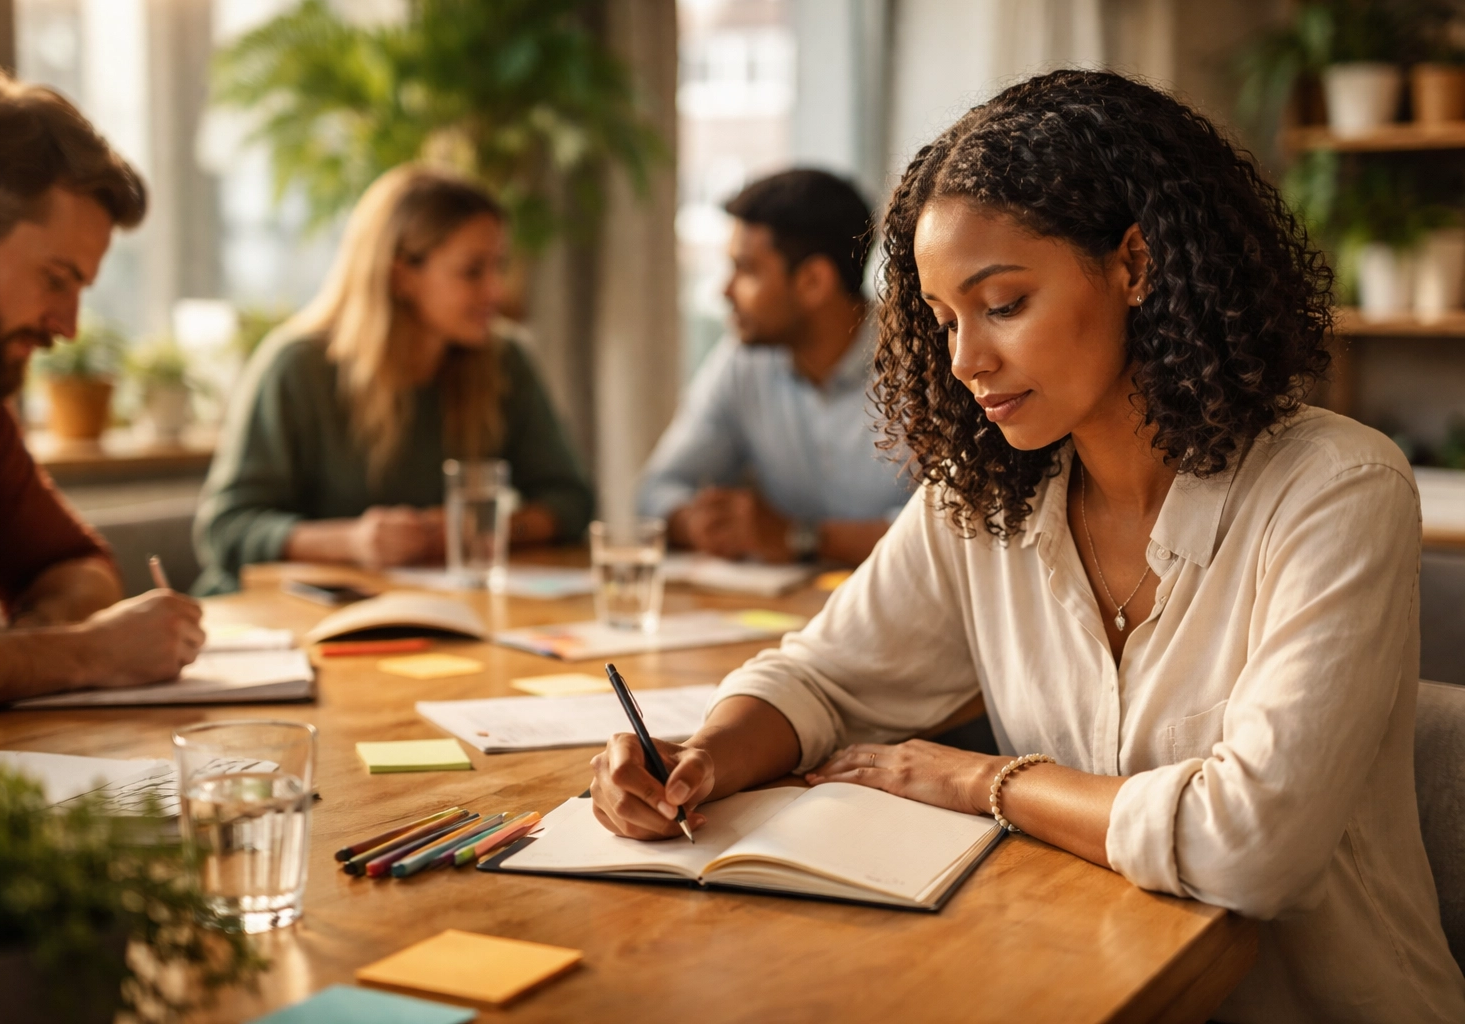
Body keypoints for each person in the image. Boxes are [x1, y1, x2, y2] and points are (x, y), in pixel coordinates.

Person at [591, 71, 1465, 1022]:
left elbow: (1246, 846)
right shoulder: (990, 495)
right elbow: (825, 678)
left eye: (1002, 304)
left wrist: (983, 781)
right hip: (1079, 989)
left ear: (1136, 264)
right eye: (944, 319)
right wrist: (705, 757)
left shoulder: (1337, 489)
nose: (965, 361)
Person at [0, 72, 204, 719]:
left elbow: (79, 566)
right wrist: (87, 654)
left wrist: (8, 652)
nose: (68, 325)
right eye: (55, 279)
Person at [193, 164, 594, 594]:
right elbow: (226, 529)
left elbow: (571, 502)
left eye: (499, 266)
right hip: (282, 623)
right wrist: (353, 542)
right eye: (473, 271)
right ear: (401, 274)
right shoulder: (297, 367)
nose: (496, 291)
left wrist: (481, 527)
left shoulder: (503, 360)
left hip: (430, 613)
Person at [637, 169, 911, 566]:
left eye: (746, 270)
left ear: (814, 281)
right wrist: (700, 523)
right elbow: (655, 490)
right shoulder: (743, 360)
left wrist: (804, 538)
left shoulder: (928, 366)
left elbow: (957, 532)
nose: (724, 290)